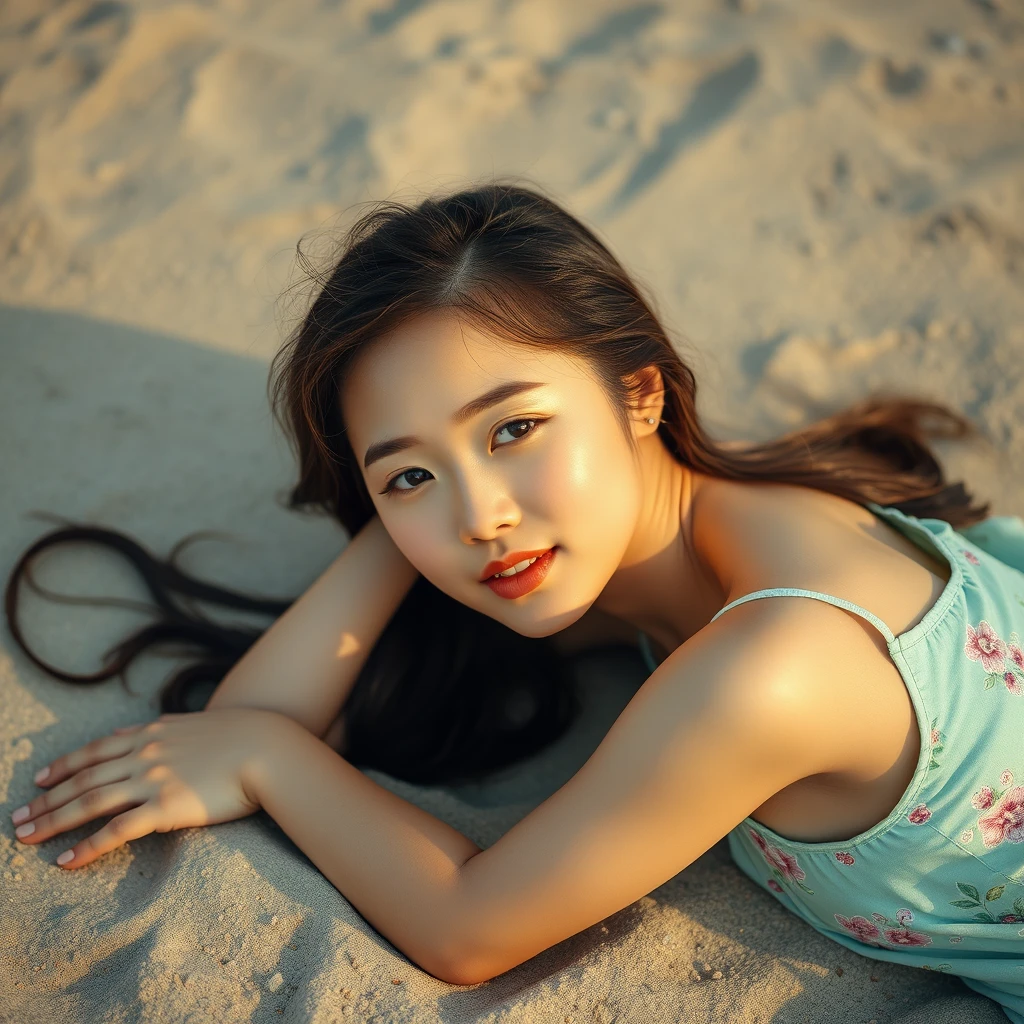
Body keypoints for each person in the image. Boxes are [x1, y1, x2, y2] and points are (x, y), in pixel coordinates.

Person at [5, 182, 1023, 1020]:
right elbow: (240, 719)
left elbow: (467, 928)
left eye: (512, 429)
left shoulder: (767, 667)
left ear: (639, 391)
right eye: (406, 475)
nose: (482, 517)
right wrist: (404, 516)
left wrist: (272, 762)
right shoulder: (662, 535)